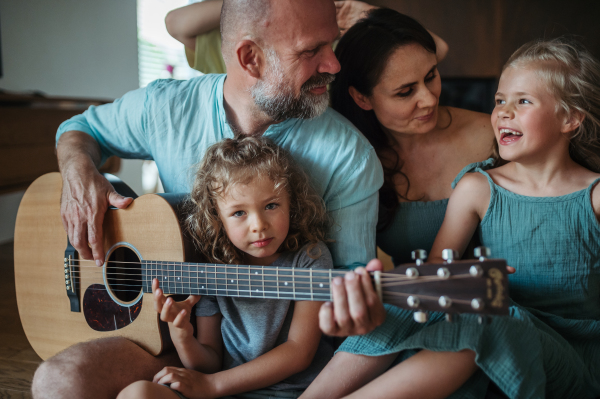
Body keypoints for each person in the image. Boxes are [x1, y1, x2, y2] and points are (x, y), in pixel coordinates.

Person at [33, 1, 386, 398]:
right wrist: (78, 172)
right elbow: (78, 129)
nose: (334, 65)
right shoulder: (165, 107)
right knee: (55, 383)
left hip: (268, 361)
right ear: (250, 58)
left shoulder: (348, 156)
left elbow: (352, 298)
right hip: (174, 332)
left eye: (331, 45)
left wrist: (354, 314)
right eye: (310, 51)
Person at [306, 36, 600, 398]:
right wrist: (460, 280)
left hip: (573, 358)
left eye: (522, 101)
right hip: (501, 331)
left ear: (570, 118)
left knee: (488, 315)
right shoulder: (478, 187)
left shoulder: (595, 195)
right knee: (415, 298)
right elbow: (432, 280)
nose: (503, 112)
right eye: (499, 101)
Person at [117, 137, 334, 399]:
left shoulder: (310, 257)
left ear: (292, 204)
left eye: (271, 205)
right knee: (137, 393)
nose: (258, 225)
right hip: (222, 391)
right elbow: (208, 362)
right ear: (216, 217)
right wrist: (182, 334)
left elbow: (300, 351)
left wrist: (213, 386)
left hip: (288, 393)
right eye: (239, 213)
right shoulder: (212, 265)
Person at [165, 1, 448, 75]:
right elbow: (176, 23)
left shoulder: (349, 37)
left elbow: (437, 49)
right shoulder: (249, 44)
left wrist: (370, 14)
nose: (330, 65)